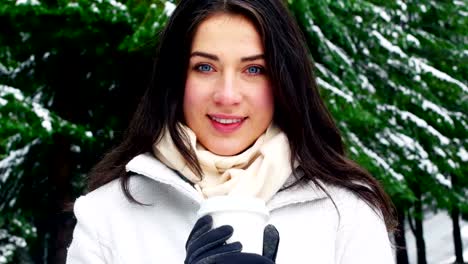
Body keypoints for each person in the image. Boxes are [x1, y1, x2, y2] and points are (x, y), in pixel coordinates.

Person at [66, 0, 397, 263]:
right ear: (177, 79)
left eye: (253, 69)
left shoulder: (346, 212)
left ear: (283, 81)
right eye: (205, 67)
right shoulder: (107, 214)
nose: (227, 95)